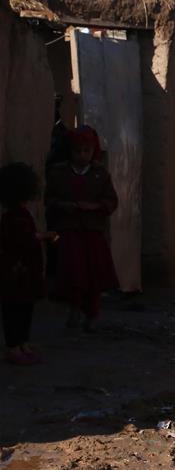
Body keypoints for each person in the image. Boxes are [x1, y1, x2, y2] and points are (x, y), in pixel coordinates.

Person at [44, 126, 119, 332]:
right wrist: (62, 205)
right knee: (73, 273)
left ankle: (91, 314)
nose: (82, 155)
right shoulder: (59, 173)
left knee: (93, 275)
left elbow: (111, 201)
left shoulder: (100, 174)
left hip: (93, 231)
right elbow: (49, 199)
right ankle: (74, 310)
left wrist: (95, 207)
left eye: (86, 151)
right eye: (78, 151)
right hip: (69, 230)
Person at [0, 163, 55, 365]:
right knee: (15, 310)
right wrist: (43, 236)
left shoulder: (17, 214)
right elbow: (21, 240)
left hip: (23, 272)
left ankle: (22, 343)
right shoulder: (14, 217)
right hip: (17, 272)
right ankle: (14, 346)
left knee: (23, 309)